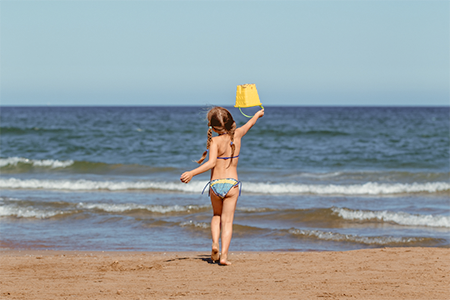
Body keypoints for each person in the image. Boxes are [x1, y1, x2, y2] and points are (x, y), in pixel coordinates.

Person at [180, 106, 264, 265]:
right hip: (232, 185)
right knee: (227, 221)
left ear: (212, 126)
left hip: (216, 185)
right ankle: (224, 256)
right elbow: (250, 124)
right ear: (231, 121)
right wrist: (258, 114)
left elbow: (211, 163)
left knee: (216, 216)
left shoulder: (214, 141)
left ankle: (214, 244)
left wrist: (192, 173)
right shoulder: (238, 134)